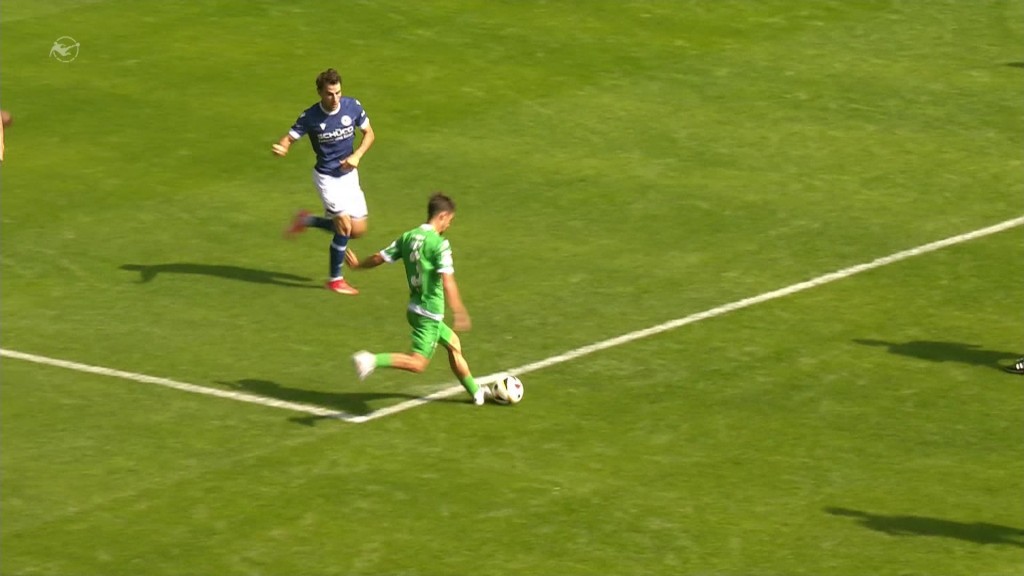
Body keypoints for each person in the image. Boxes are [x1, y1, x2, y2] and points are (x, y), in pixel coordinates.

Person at [350, 193, 490, 405]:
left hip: (415, 308)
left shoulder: (408, 237)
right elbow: (448, 281)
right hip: (429, 314)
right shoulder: (439, 244)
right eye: (449, 221)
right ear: (442, 216)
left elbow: (380, 257)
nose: (448, 226)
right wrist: (459, 310)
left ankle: (476, 392)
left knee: (453, 344)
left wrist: (359, 265)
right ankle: (370, 360)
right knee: (418, 364)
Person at [272, 68, 375, 295]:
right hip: (327, 178)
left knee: (357, 230)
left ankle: (307, 220)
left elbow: (370, 134)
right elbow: (289, 137)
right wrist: (283, 147)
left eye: (338, 92)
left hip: (349, 176)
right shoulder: (310, 117)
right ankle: (335, 279)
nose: (335, 98)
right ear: (320, 92)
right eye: (329, 94)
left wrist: (357, 155)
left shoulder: (352, 106)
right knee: (344, 226)